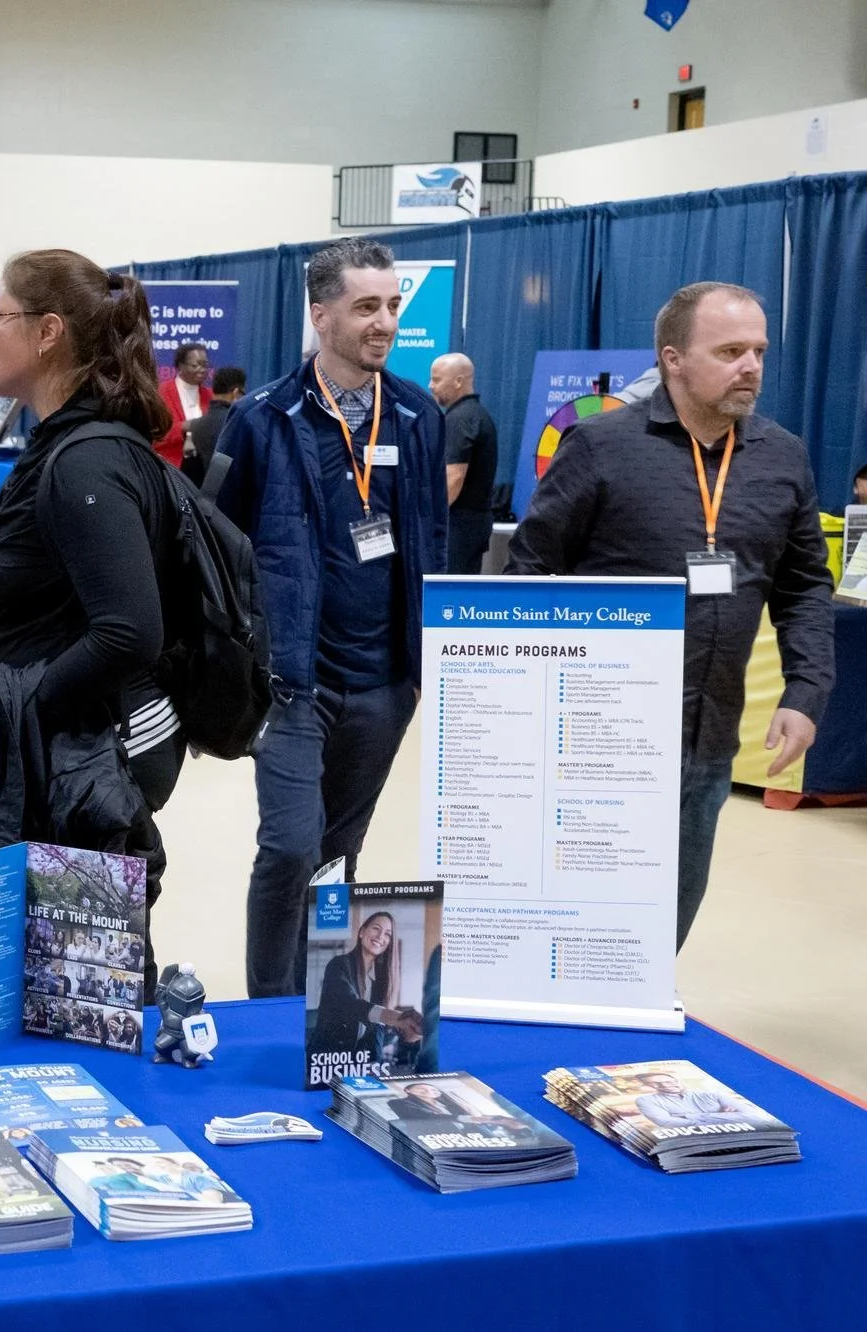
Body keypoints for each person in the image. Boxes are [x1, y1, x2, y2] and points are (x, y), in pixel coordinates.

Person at [506, 281, 833, 950]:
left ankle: (640, 1008)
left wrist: (806, 690)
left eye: (760, 352)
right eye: (731, 351)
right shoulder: (600, 447)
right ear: (673, 359)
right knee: (582, 909)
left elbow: (803, 586)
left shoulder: (782, 458)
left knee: (671, 905)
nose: (751, 367)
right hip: (599, 738)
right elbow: (530, 573)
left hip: (708, 736)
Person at [216, 237, 448, 999]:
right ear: (321, 315)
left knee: (338, 853)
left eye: (392, 306)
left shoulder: (416, 416)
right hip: (290, 681)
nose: (384, 323)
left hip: (383, 684)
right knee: (288, 846)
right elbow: (220, 548)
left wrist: (424, 665)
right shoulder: (261, 420)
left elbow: (433, 543)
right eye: (366, 307)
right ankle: (268, 1008)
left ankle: (319, 1012)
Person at [0, 248, 184, 978]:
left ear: (48, 331)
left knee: (83, 992)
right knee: (50, 990)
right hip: (56, 764)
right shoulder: (63, 447)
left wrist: (14, 702)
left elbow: (129, 629)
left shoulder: (85, 463)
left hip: (76, 775)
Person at [308, 910, 422, 1065]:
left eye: (387, 934)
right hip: (326, 1060)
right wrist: (397, 1018)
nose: (380, 937)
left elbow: (376, 1033)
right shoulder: (339, 964)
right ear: (362, 932)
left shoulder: (381, 980)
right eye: (376, 928)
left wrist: (408, 1037)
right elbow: (348, 1004)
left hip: (358, 1064)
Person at [430, 352, 498, 574]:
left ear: (458, 381)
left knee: (448, 594)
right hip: (472, 524)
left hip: (458, 527)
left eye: (437, 379)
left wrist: (430, 519)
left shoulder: (460, 419)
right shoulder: (477, 414)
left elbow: (454, 477)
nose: (431, 385)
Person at [182, 366, 245, 490]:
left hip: (203, 502)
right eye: (243, 393)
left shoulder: (195, 426)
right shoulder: (240, 423)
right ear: (235, 393)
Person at [155, 343, 212, 468]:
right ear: (181, 366)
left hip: (203, 468)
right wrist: (184, 427)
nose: (202, 370)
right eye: (195, 365)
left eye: (205, 365)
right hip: (170, 466)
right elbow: (155, 436)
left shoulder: (211, 395)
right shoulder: (161, 393)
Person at [632, 1069, 753, 1127]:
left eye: (668, 1081)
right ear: (648, 1086)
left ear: (676, 1080)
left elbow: (748, 1114)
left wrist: (688, 1117)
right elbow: (665, 1121)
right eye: (656, 1084)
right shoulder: (646, 1100)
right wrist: (725, 1116)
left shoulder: (712, 1094)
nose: (664, 1085)